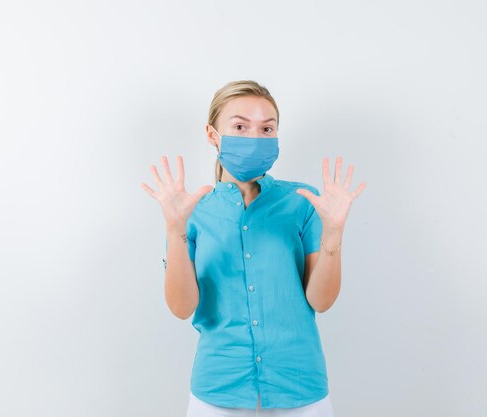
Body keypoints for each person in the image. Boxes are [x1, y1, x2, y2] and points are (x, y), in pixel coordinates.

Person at [141, 80, 365, 416]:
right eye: (240, 126)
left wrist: (333, 232)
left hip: (300, 386)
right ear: (213, 134)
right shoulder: (192, 210)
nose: (254, 138)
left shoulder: (302, 202)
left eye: (266, 128)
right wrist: (175, 229)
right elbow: (181, 306)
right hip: (219, 388)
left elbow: (321, 300)